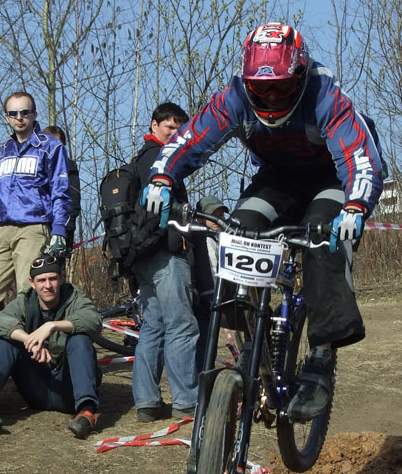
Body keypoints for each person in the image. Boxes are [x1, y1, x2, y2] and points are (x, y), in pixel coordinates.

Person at [143, 22, 384, 422]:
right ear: (247, 81)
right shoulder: (235, 96)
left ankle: (321, 356)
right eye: (261, 88)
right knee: (237, 230)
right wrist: (162, 177)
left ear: (299, 76)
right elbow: (191, 138)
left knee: (324, 240)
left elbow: (358, 154)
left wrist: (357, 205)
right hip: (278, 179)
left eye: (281, 88)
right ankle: (251, 336)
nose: (270, 97)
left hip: (331, 179)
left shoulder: (325, 95)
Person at [128, 102, 200, 423]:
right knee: (180, 325)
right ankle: (186, 401)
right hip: (165, 253)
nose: (175, 133)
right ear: (154, 125)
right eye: (170, 127)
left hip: (143, 255)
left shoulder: (140, 159)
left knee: (153, 327)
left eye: (179, 129)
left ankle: (146, 402)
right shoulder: (158, 159)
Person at [0, 255, 102, 438]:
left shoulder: (75, 297)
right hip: (37, 388)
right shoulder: (25, 301)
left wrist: (52, 326)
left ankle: (86, 413)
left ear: (62, 278)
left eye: (53, 279)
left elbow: (93, 321)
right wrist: (30, 340)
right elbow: (3, 320)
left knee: (80, 339)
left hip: (68, 391)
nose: (47, 285)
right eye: (41, 280)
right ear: (32, 283)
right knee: (9, 341)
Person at [0, 92, 71, 316]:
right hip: (1, 230)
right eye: (13, 113)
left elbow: (61, 191)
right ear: (6, 117)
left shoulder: (51, 147)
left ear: (34, 114)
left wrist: (59, 229)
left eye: (24, 112)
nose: (19, 117)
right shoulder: (1, 153)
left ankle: (32, 338)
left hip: (33, 227)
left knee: (28, 296)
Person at [193, 195, 229, 372]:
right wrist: (212, 298)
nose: (218, 220)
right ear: (201, 218)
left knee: (209, 344)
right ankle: (203, 377)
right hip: (205, 302)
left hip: (211, 300)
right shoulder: (204, 240)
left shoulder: (217, 238)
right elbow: (209, 271)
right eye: (213, 216)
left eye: (221, 216)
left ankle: (205, 374)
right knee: (205, 345)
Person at [44, 125, 81, 255]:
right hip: (37, 227)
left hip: (61, 228)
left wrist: (67, 228)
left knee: (55, 265)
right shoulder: (36, 166)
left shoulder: (68, 167)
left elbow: (74, 199)